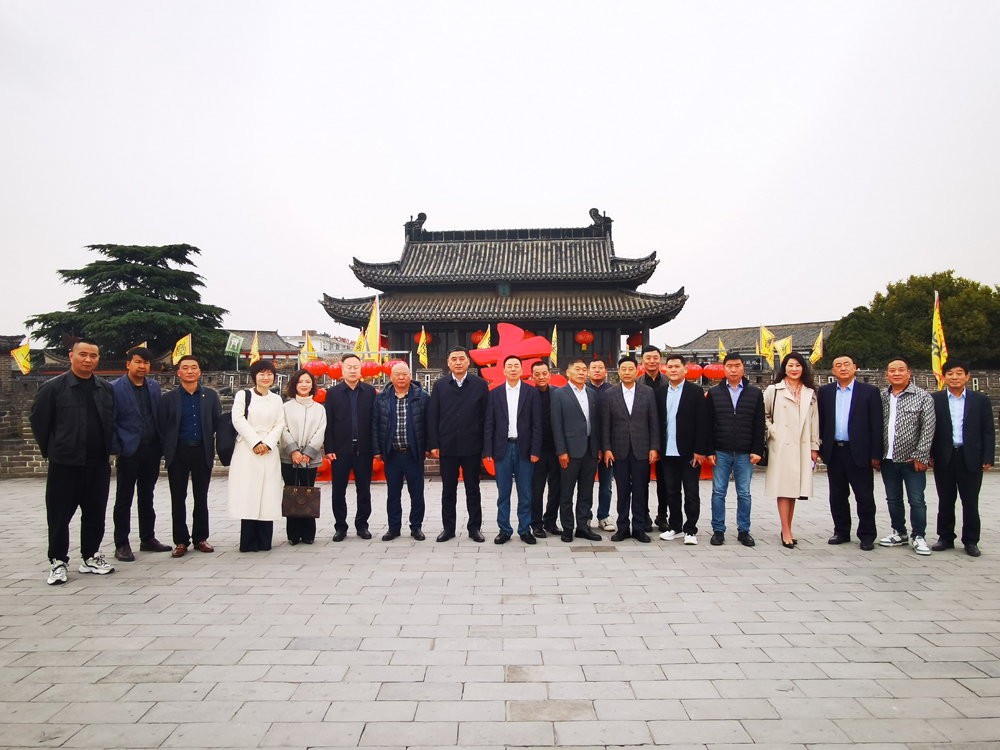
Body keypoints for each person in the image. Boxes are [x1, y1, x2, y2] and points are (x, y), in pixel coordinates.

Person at [30, 339, 119, 585]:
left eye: (93, 355)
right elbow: (39, 421)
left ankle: (90, 556)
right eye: (83, 354)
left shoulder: (104, 388)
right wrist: (53, 451)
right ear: (71, 356)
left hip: (97, 463)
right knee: (59, 515)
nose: (88, 359)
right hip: (65, 464)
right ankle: (58, 561)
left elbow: (110, 421)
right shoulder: (53, 387)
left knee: (95, 513)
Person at [110, 346, 171, 562]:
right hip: (128, 451)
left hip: (151, 449)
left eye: (146, 362)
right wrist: (117, 449)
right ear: (128, 364)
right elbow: (111, 421)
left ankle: (147, 538)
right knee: (124, 499)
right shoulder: (114, 388)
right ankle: (121, 543)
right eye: (137, 362)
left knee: (147, 496)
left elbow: (158, 416)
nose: (142, 366)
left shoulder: (153, 387)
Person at [158, 354, 222, 558]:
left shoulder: (210, 396)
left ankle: (201, 538)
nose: (190, 371)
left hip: (202, 450)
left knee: (201, 497)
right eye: (185, 368)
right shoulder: (169, 398)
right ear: (178, 373)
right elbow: (162, 426)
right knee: (178, 498)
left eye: (194, 367)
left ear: (199, 372)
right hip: (178, 451)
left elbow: (216, 422)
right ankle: (180, 540)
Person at [817, 354, 883, 551]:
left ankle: (867, 535)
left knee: (864, 496)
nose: (843, 368)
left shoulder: (869, 392)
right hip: (835, 451)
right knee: (837, 495)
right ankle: (841, 531)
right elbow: (821, 421)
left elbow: (876, 424)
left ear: (855, 367)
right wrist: (822, 448)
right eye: (838, 365)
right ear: (833, 370)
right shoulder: (825, 392)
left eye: (846, 364)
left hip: (860, 452)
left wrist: (876, 453)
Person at [930, 360, 995, 557]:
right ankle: (945, 537)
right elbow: (929, 430)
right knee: (945, 500)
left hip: (971, 456)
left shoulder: (980, 400)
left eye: (959, 373)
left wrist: (988, 457)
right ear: (943, 377)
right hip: (944, 456)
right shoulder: (935, 399)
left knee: (970, 501)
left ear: (967, 377)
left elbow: (988, 431)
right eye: (950, 373)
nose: (955, 377)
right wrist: (930, 454)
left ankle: (971, 541)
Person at [428, 346, 489, 543]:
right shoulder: (440, 385)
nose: (458, 362)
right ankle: (448, 528)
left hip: (472, 446)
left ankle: (474, 528)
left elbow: (487, 416)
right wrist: (434, 444)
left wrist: (486, 445)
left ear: (468, 362)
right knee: (448, 490)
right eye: (453, 359)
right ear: (448, 363)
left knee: (473, 489)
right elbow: (433, 416)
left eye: (461, 358)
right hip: (447, 446)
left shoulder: (480, 384)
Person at [706, 353, 765, 547]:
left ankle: (744, 530)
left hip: (745, 452)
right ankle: (718, 530)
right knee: (718, 492)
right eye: (729, 366)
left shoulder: (755, 393)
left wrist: (757, 449)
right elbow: (708, 423)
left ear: (743, 368)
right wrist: (709, 450)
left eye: (737, 365)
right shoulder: (714, 393)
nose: (733, 369)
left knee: (744, 493)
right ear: (723, 369)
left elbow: (759, 424)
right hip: (720, 450)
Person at [878, 357, 936, 555]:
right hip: (887, 458)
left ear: (909, 373)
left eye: (901, 370)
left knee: (917, 500)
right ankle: (899, 532)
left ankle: (919, 536)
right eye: (892, 370)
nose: (897, 373)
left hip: (912, 459)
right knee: (893, 499)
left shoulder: (923, 396)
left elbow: (928, 428)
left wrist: (921, 455)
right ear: (886, 375)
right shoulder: (882, 397)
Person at [763, 353, 820, 549]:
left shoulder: (810, 393)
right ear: (784, 368)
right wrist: (774, 430)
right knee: (783, 488)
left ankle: (788, 527)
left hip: (802, 445)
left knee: (794, 489)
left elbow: (814, 421)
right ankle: (785, 530)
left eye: (798, 365)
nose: (794, 369)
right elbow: (763, 414)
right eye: (790, 365)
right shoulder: (774, 390)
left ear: (803, 368)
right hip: (782, 445)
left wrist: (814, 446)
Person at [600, 356, 659, 543]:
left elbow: (654, 421)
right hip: (619, 450)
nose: (627, 372)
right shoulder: (610, 394)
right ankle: (623, 527)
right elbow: (606, 424)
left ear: (637, 370)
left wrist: (654, 447)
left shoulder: (647, 392)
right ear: (618, 372)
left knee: (640, 490)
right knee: (623, 490)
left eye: (630, 369)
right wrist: (607, 448)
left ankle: (639, 528)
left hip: (642, 448)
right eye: (623, 369)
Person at [484, 355, 541, 544]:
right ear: (504, 370)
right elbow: (489, 424)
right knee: (503, 493)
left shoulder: (531, 392)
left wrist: (535, 450)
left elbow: (537, 424)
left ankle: (525, 529)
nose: (513, 369)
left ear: (522, 370)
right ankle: (504, 529)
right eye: (509, 366)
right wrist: (488, 450)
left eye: (517, 365)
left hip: (525, 449)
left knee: (525, 493)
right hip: (503, 448)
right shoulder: (495, 393)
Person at [229, 360, 285, 552]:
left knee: (268, 493)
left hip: (269, 451)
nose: (266, 377)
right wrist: (255, 442)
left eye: (269, 374)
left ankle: (264, 540)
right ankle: (248, 541)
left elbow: (279, 424)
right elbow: (238, 420)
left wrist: (267, 444)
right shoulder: (243, 396)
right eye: (262, 374)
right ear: (254, 376)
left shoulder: (277, 399)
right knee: (249, 492)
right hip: (247, 449)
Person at [372, 361, 430, 541]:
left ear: (410, 376)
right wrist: (377, 450)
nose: (401, 377)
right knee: (393, 494)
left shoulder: (422, 396)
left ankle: (416, 527)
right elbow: (375, 425)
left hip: (413, 454)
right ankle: (393, 528)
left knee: (417, 494)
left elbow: (429, 424)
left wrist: (428, 448)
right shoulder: (382, 398)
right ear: (391, 377)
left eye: (405, 374)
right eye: (397, 374)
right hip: (392, 455)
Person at [324, 354, 378, 541]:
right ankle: (340, 527)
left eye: (356, 367)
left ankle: (362, 525)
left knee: (364, 490)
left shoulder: (370, 392)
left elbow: (375, 422)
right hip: (340, 451)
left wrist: (375, 448)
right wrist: (329, 448)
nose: (353, 370)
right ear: (342, 369)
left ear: (361, 369)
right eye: (349, 367)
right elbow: (328, 423)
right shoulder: (333, 393)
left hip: (364, 450)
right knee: (338, 491)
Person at [656, 354, 708, 544]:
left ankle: (690, 530)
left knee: (691, 492)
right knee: (671, 492)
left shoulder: (695, 391)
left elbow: (702, 422)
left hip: (689, 452)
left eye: (677, 366)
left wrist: (699, 450)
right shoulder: (660, 392)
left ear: (685, 369)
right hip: (667, 451)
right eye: (669, 367)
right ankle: (675, 526)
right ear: (665, 370)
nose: (673, 370)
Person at [551, 358, 603, 543]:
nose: (581, 372)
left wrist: (598, 448)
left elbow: (596, 423)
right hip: (569, 451)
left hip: (590, 450)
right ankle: (567, 527)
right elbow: (556, 424)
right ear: (568, 372)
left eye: (583, 369)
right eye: (577, 369)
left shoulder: (592, 394)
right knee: (566, 492)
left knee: (586, 491)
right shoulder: (559, 394)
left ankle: (582, 527)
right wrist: (561, 451)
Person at [280, 369, 327, 545]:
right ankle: (293, 534)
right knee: (291, 493)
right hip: (289, 458)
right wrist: (293, 450)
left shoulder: (319, 409)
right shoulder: (285, 407)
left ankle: (308, 533)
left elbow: (320, 431)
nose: (304, 385)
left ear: (312, 385)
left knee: (308, 492)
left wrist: (308, 453)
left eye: (308, 381)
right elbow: (282, 430)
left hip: (310, 459)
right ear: (294, 384)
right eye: (300, 381)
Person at [530, 361, 562, 538]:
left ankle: (550, 521)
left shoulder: (558, 393)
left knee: (556, 489)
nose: (541, 377)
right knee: (536, 490)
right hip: (537, 451)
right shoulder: (528, 394)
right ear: (532, 376)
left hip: (557, 450)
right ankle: (536, 524)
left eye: (544, 373)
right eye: (537, 374)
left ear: (550, 374)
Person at [639, 344, 667, 532]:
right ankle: (644, 515)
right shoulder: (637, 382)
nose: (652, 361)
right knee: (642, 480)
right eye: (648, 358)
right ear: (642, 361)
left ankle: (662, 516)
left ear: (660, 360)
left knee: (665, 480)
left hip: (665, 437)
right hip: (642, 438)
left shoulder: (668, 380)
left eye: (655, 357)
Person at [586, 359, 616, 532]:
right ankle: (586, 516)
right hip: (587, 447)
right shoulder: (582, 390)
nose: (597, 370)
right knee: (586, 484)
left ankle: (603, 516)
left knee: (606, 484)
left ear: (606, 372)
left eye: (600, 368)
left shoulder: (613, 391)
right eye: (593, 367)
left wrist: (607, 447)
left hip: (608, 447)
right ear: (588, 371)